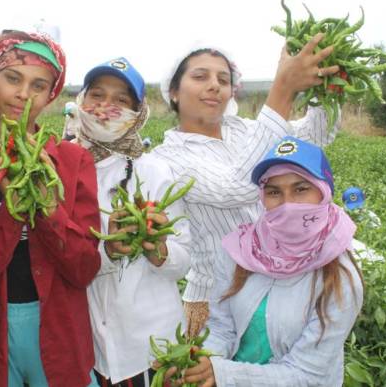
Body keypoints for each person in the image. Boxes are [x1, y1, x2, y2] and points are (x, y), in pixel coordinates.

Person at [152, 36, 342, 336]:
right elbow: (237, 186)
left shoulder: (246, 130)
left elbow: (313, 138)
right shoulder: (166, 158)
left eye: (223, 79)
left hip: (274, 284)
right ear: (174, 92)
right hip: (217, 299)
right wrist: (282, 89)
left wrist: (325, 89)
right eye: (200, 76)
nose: (214, 85)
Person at [161, 136, 363, 386]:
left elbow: (308, 375)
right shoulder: (242, 251)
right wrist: (199, 363)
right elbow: (221, 327)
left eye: (301, 189)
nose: (288, 204)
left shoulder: (340, 276)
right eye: (274, 191)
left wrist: (223, 374)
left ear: (323, 191)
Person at [0, 30, 101, 387]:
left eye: (38, 86)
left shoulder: (73, 162)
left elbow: (84, 268)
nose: (23, 94)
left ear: (50, 95)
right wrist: (11, 210)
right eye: (12, 78)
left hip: (59, 335)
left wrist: (46, 204)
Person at [69, 57, 191, 386]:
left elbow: (183, 259)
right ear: (81, 100)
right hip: (87, 348)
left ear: (138, 113)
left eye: (122, 100)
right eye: (97, 95)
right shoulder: (60, 168)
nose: (107, 107)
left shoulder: (154, 171)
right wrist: (107, 251)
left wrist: (159, 250)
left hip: (151, 347)